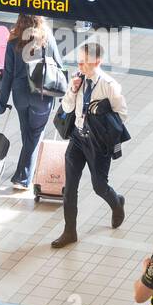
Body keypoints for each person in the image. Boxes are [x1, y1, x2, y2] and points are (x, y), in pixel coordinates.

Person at [51, 42, 127, 249]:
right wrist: (73, 90)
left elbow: (122, 115)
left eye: (85, 62)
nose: (81, 65)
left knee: (99, 186)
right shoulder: (78, 79)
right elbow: (66, 107)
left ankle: (117, 202)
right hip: (77, 138)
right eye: (79, 61)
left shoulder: (109, 85)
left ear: (97, 62)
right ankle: (69, 231)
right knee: (70, 188)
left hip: (97, 142)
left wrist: (102, 113)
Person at [0, 14, 57, 189]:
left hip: (20, 95)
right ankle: (22, 178)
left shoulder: (13, 41)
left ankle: (26, 170)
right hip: (41, 96)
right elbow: (58, 65)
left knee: (27, 133)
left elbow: (7, 75)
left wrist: (0, 102)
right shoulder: (47, 38)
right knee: (34, 135)